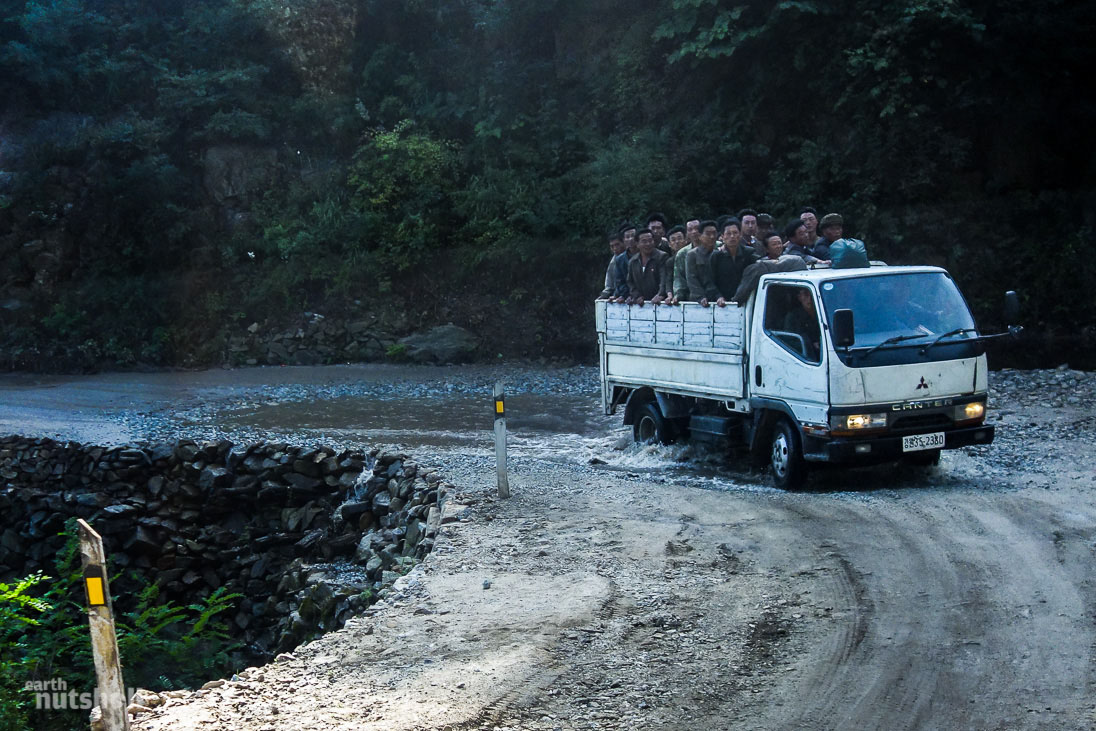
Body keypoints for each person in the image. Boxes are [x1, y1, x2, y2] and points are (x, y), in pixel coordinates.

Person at [710, 219, 756, 306]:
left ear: (740, 235)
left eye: (735, 233)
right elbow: (710, 281)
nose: (732, 236)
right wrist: (718, 296)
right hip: (722, 302)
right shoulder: (716, 256)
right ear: (722, 237)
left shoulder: (749, 253)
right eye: (728, 233)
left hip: (746, 301)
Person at [627, 229, 672, 304]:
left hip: (660, 302)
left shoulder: (662, 257)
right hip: (641, 303)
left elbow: (664, 279)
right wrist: (636, 296)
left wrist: (660, 294)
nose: (648, 244)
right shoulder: (633, 261)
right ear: (637, 244)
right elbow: (630, 282)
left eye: (650, 241)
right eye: (644, 241)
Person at [685, 220, 722, 305]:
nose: (712, 237)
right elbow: (691, 278)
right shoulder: (692, 254)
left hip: (718, 298)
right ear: (700, 236)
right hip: (698, 300)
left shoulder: (719, 253)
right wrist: (700, 297)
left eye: (714, 233)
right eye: (708, 234)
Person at [783, 288, 821, 361]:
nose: (810, 298)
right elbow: (788, 342)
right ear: (799, 297)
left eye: (812, 294)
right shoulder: (792, 317)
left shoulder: (823, 314)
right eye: (806, 294)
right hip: (803, 359)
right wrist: (811, 345)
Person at [597, 231, 626, 299]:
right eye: (612, 246)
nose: (615, 248)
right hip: (617, 296)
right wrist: (604, 295)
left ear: (623, 243)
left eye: (617, 245)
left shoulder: (632, 257)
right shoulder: (613, 262)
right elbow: (609, 283)